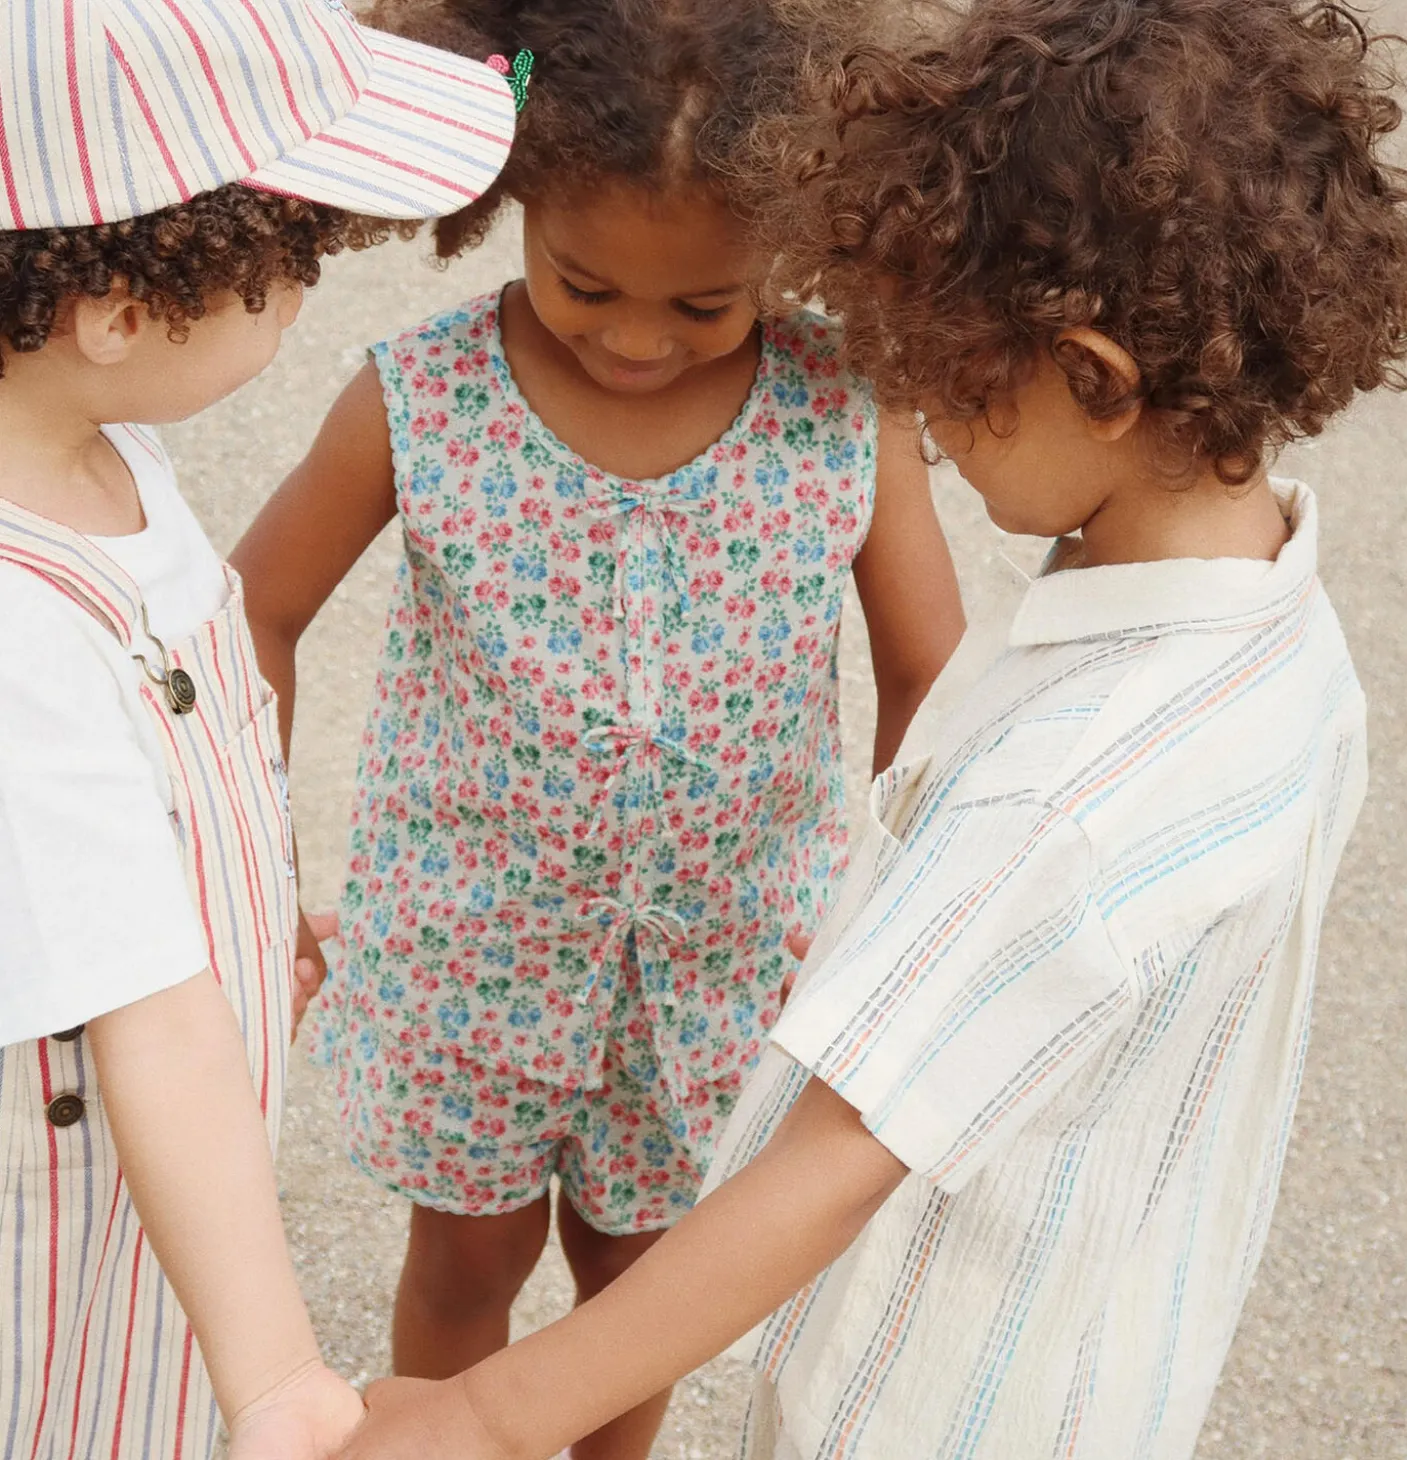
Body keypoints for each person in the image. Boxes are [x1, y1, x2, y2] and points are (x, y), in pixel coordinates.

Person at [327, 1, 1407, 1458]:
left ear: (1096, 378)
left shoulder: (1065, 802)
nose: (910, 404)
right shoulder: (1286, 637)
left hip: (937, 1397)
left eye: (951, 376)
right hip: (1107, 1356)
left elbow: (842, 1156)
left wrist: (488, 1415)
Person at [233, 2, 963, 1455]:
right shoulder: (421, 399)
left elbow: (928, 671)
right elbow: (254, 611)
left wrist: (891, 920)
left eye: (706, 306)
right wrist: (263, 855)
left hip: (723, 962)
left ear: (792, 244)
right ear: (506, 198)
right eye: (582, 285)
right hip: (472, 947)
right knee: (466, 1266)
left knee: (642, 1280)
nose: (638, 338)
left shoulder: (844, 410)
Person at [0, 2, 519, 1457]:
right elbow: (153, 1022)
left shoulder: (102, 452)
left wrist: (247, 904)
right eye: (287, 266)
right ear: (115, 312)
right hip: (98, 1182)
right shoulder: (22, 639)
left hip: (170, 1134)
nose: (304, 299)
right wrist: (283, 1372)